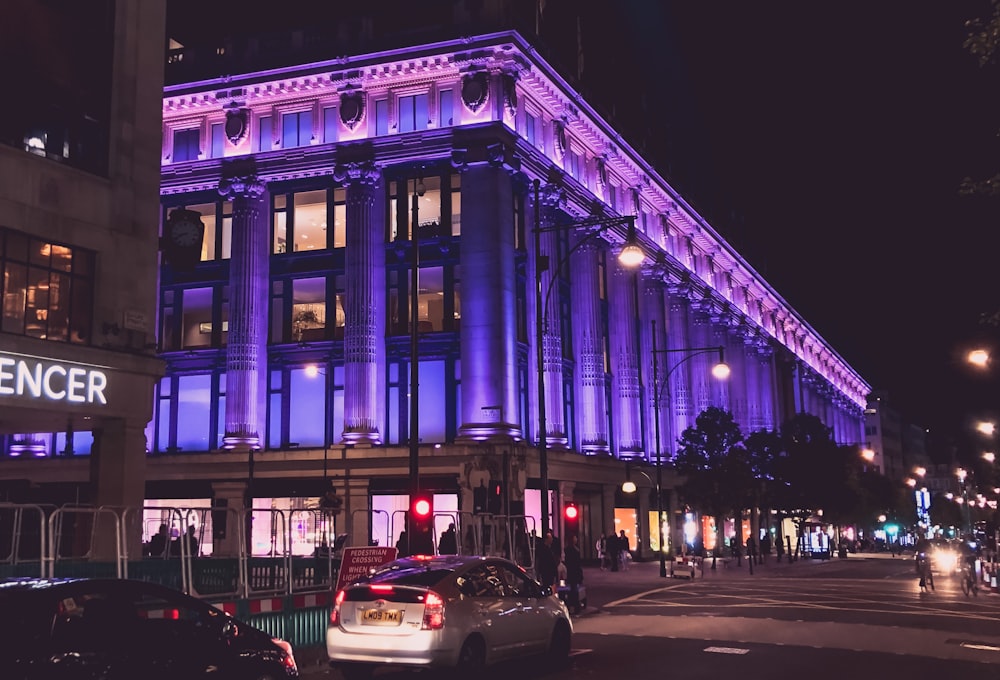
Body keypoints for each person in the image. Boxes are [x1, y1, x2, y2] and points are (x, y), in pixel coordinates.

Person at [563, 534, 584, 613]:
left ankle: (571, 605)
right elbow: (577, 563)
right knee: (574, 590)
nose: (576, 539)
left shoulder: (567, 550)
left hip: (571, 572)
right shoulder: (575, 550)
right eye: (575, 538)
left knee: (571, 589)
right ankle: (575, 606)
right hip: (574, 572)